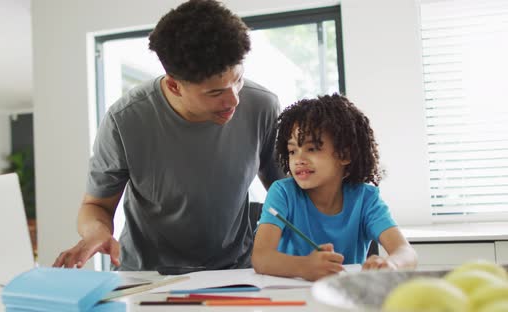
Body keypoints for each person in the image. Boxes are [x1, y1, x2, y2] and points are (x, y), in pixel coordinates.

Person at [53, 0, 282, 271]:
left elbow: (287, 194)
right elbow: (96, 206)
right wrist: (96, 232)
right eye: (215, 92)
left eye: (239, 80)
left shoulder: (262, 106)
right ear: (174, 85)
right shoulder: (125, 119)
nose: (234, 100)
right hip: (147, 275)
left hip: (235, 271)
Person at [251, 94, 417, 281]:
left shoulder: (365, 198)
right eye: (292, 151)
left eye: (312, 149)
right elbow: (261, 258)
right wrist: (305, 267)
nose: (299, 160)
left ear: (344, 155)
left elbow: (406, 252)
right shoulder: (283, 192)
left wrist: (391, 264)